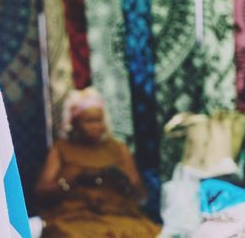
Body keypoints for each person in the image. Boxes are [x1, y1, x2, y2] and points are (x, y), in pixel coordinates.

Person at [35, 87, 160, 238]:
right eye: (89, 121)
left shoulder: (118, 149)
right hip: (75, 217)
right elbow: (41, 192)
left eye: (99, 120)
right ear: (74, 123)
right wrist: (74, 180)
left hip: (118, 215)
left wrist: (122, 180)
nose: (96, 126)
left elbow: (141, 196)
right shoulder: (61, 149)